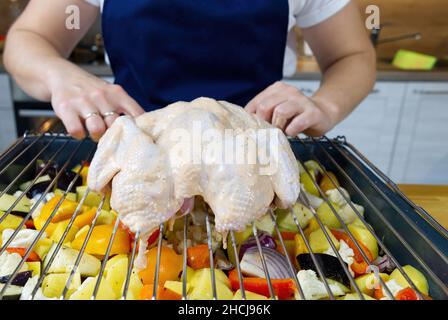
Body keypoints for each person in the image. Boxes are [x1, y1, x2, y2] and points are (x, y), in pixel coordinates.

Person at [4, 0, 375, 141]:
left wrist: (325, 106)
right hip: (138, 150)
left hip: (253, 157)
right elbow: (28, 38)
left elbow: (352, 55)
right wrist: (60, 75)